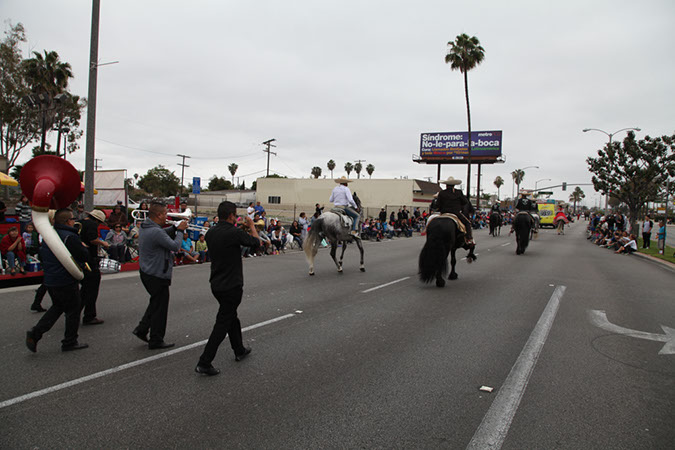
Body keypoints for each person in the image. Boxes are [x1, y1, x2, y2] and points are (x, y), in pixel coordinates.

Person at [195, 201, 261, 376]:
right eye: (235, 216)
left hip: (216, 282)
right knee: (223, 322)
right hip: (232, 284)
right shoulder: (234, 232)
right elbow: (256, 243)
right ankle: (204, 361)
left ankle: (238, 349)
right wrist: (252, 225)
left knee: (231, 316)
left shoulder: (210, 233)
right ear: (232, 216)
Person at [25, 209, 90, 353]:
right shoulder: (69, 237)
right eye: (73, 219)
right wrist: (83, 248)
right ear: (68, 221)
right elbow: (84, 255)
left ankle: (36, 333)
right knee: (73, 310)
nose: (74, 221)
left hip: (51, 278)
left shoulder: (50, 236)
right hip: (65, 278)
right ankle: (69, 342)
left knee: (58, 307)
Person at [133, 201, 188, 349]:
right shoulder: (155, 231)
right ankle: (156, 339)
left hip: (148, 271)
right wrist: (180, 231)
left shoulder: (147, 226)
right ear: (158, 215)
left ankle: (142, 329)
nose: (166, 216)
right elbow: (175, 246)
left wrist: (174, 227)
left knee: (155, 303)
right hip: (157, 274)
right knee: (160, 308)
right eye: (165, 213)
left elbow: (162, 234)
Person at [78, 209, 108, 325]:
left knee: (84, 289)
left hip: (80, 259)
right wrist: (103, 243)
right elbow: (92, 239)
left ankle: (75, 311)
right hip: (90, 259)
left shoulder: (79, 223)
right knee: (92, 288)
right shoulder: (91, 225)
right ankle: (89, 315)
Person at [435, 176, 474, 244]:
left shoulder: (441, 193)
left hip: (443, 213)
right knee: (467, 223)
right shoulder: (458, 192)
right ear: (454, 185)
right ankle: (469, 238)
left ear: (446, 185)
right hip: (455, 213)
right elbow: (465, 202)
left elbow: (437, 205)